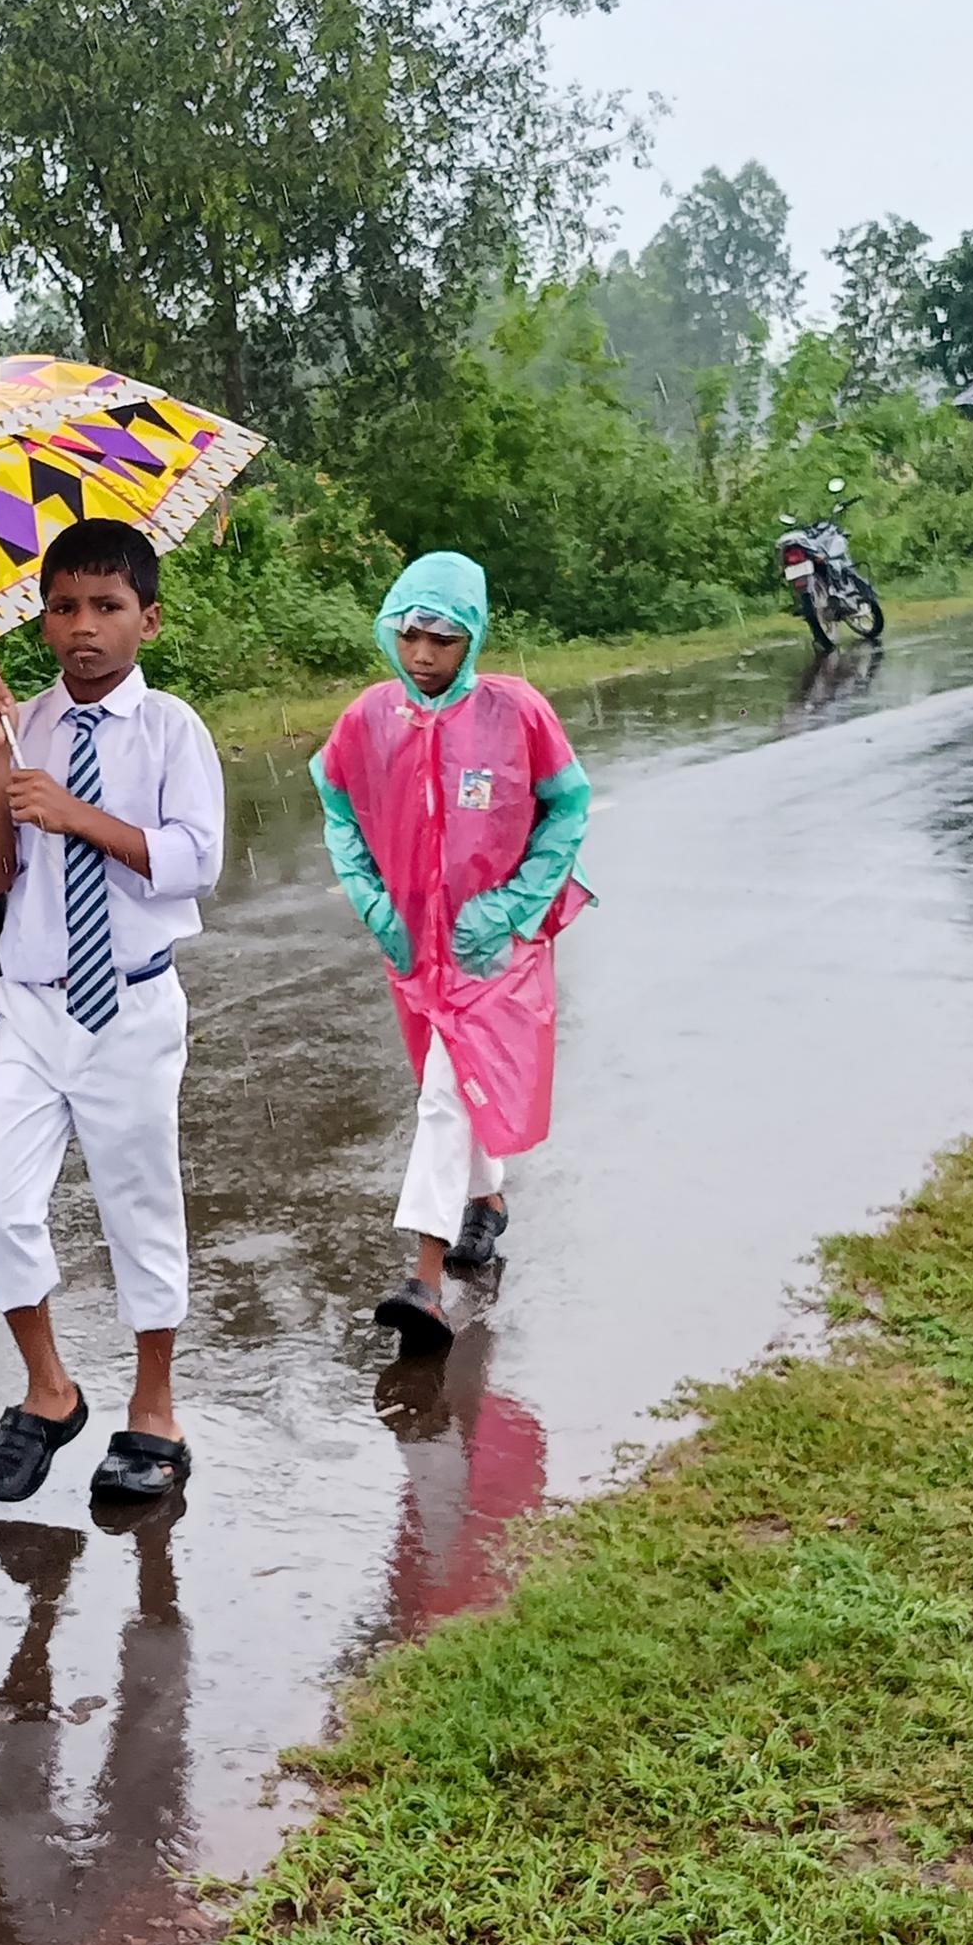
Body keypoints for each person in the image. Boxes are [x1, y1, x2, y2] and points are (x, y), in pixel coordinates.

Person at [0, 517, 227, 1507]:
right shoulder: (20, 726)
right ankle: (49, 1388)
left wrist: (78, 815)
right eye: (64, 606)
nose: (85, 626)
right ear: (41, 620)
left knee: (136, 1205)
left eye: (107, 607)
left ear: (147, 620)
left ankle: (154, 1408)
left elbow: (196, 859)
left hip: (130, 1004)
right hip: (33, 1008)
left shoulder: (172, 731)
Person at [311, 552, 593, 1357]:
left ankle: (424, 1281)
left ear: (472, 638)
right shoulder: (369, 719)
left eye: (444, 638)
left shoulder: (517, 712)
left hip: (494, 952)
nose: (425, 655)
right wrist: (371, 897)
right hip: (415, 950)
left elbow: (566, 808)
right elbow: (337, 805)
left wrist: (512, 908)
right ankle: (487, 1203)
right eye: (412, 636)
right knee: (452, 1084)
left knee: (442, 1096)